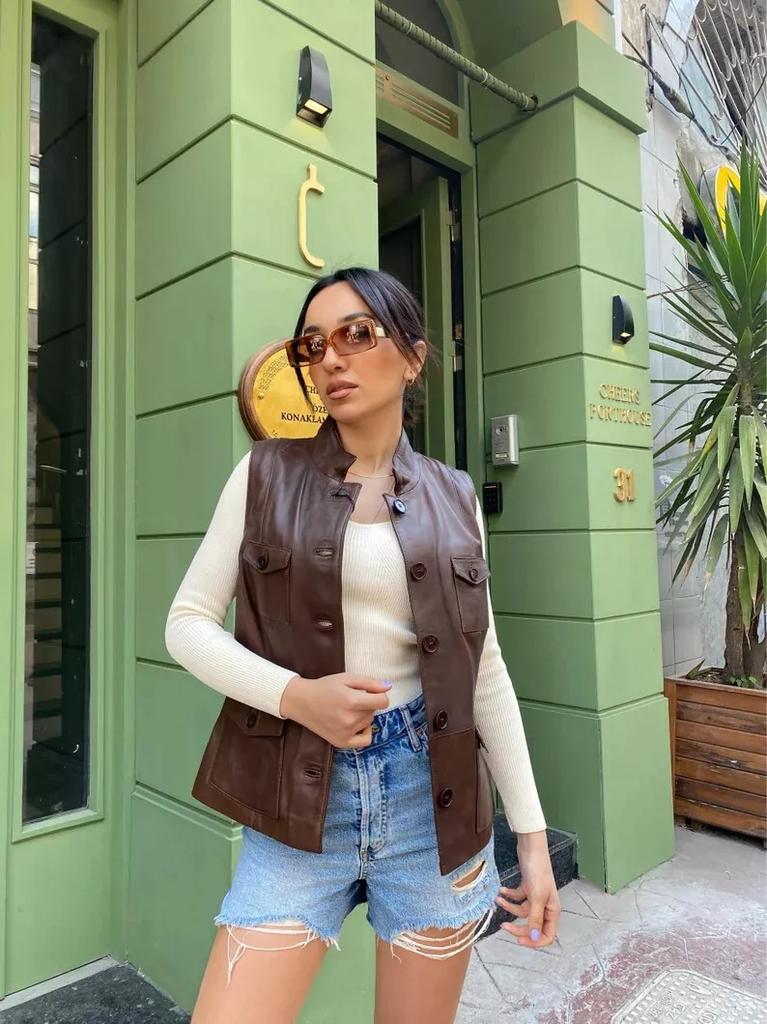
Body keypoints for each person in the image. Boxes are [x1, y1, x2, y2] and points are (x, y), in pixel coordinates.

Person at [165, 266, 561, 1023]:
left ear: (412, 357)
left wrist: (532, 840)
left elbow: (483, 670)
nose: (331, 359)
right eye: (312, 346)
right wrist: (296, 696)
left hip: (431, 806)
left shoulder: (456, 496)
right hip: (296, 799)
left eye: (356, 334)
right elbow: (186, 623)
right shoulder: (263, 474)